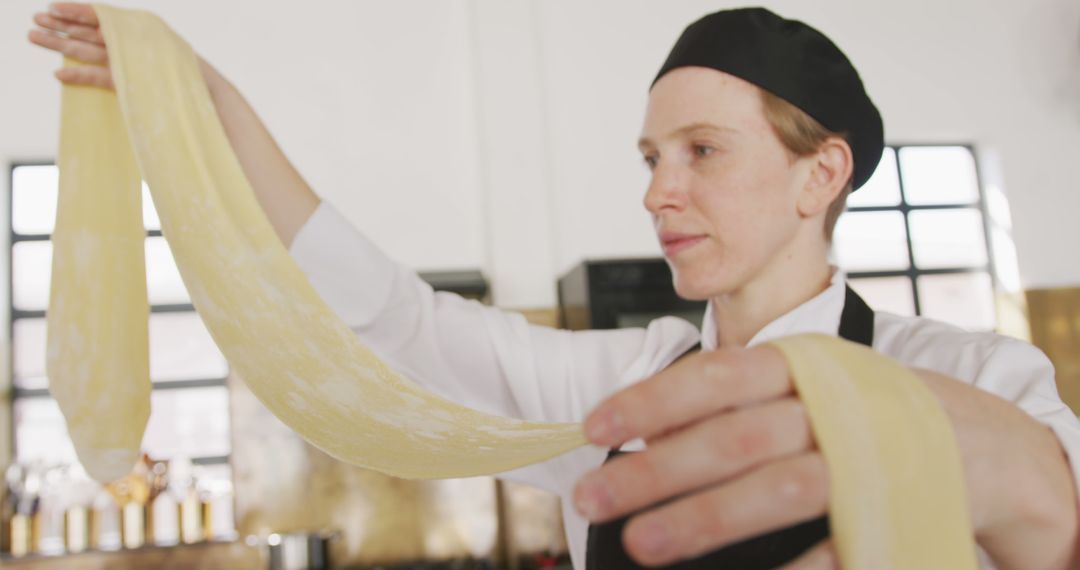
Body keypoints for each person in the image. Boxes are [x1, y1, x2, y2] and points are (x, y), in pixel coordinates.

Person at [29, 4, 1080, 569]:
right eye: (649, 157)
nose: (659, 192)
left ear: (824, 171)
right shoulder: (626, 390)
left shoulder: (976, 377)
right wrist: (210, 104)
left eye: (702, 152)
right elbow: (399, 320)